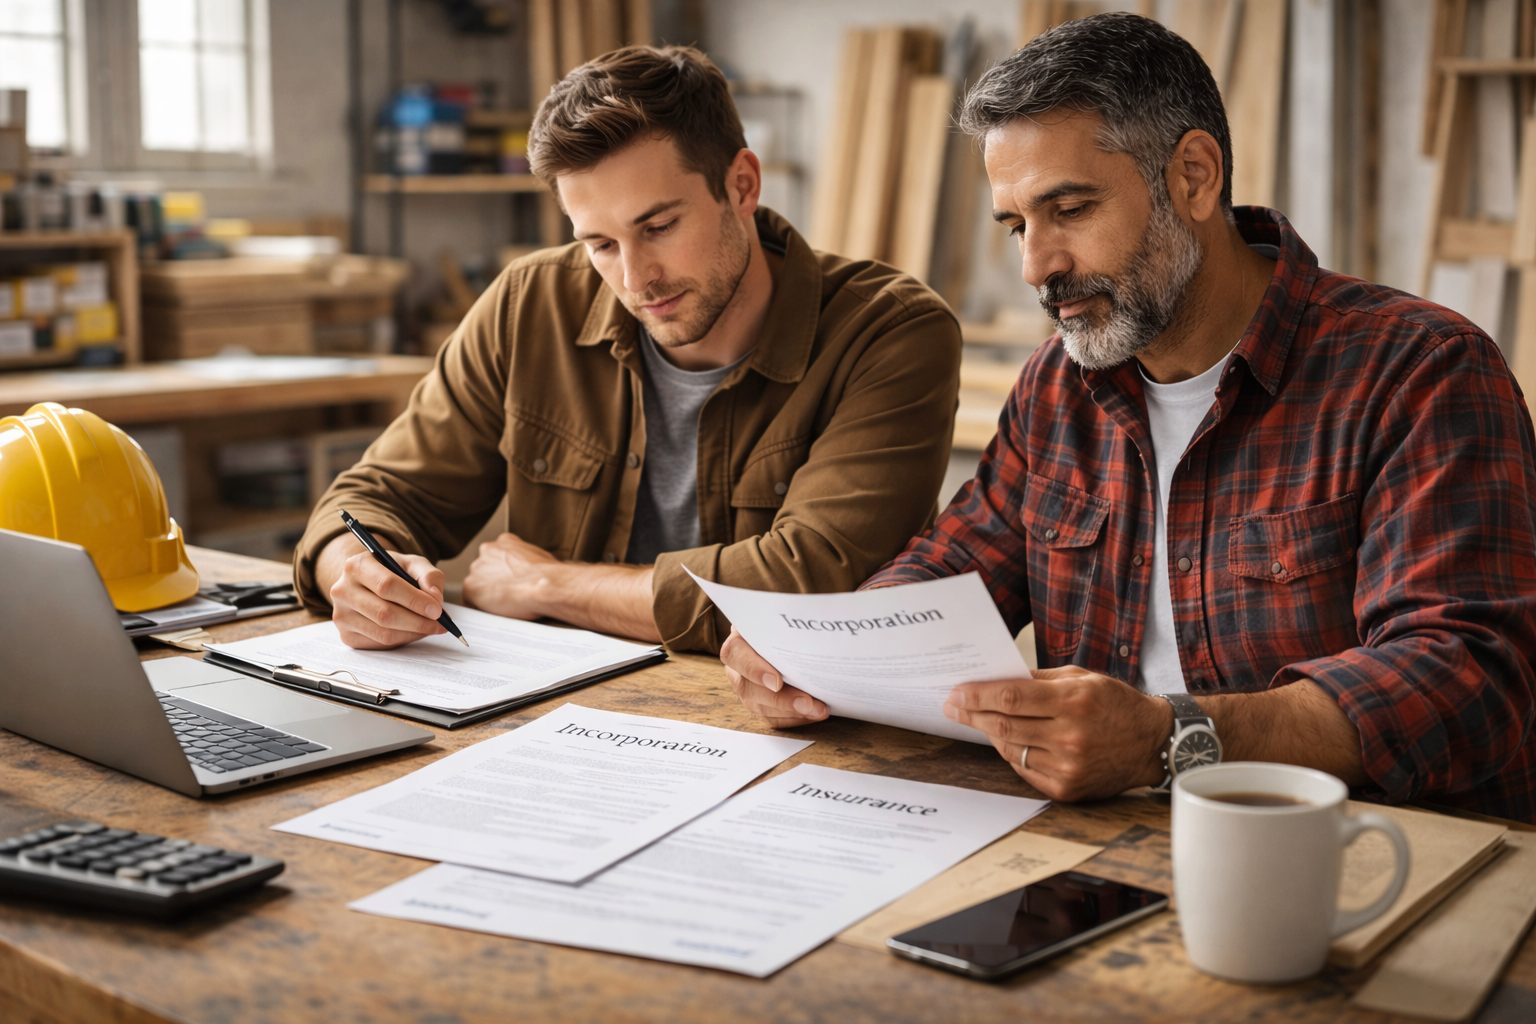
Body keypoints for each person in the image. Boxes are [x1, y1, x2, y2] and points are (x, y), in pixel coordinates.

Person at [722, 12, 1536, 823]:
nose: (1037, 265)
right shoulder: (1059, 386)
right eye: (1016, 225)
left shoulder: (1419, 371)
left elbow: (1467, 681)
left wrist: (1166, 738)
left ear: (1193, 175)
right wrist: (814, 652)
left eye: (1069, 209)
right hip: (1108, 843)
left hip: (1362, 857)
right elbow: (952, 567)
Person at [292, 45, 962, 655]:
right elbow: (379, 495)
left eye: (659, 227)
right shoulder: (530, 303)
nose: (636, 281)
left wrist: (551, 585)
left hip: (788, 726)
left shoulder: (891, 332)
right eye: (600, 244)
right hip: (556, 714)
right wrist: (354, 574)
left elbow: (810, 585)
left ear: (742, 185)